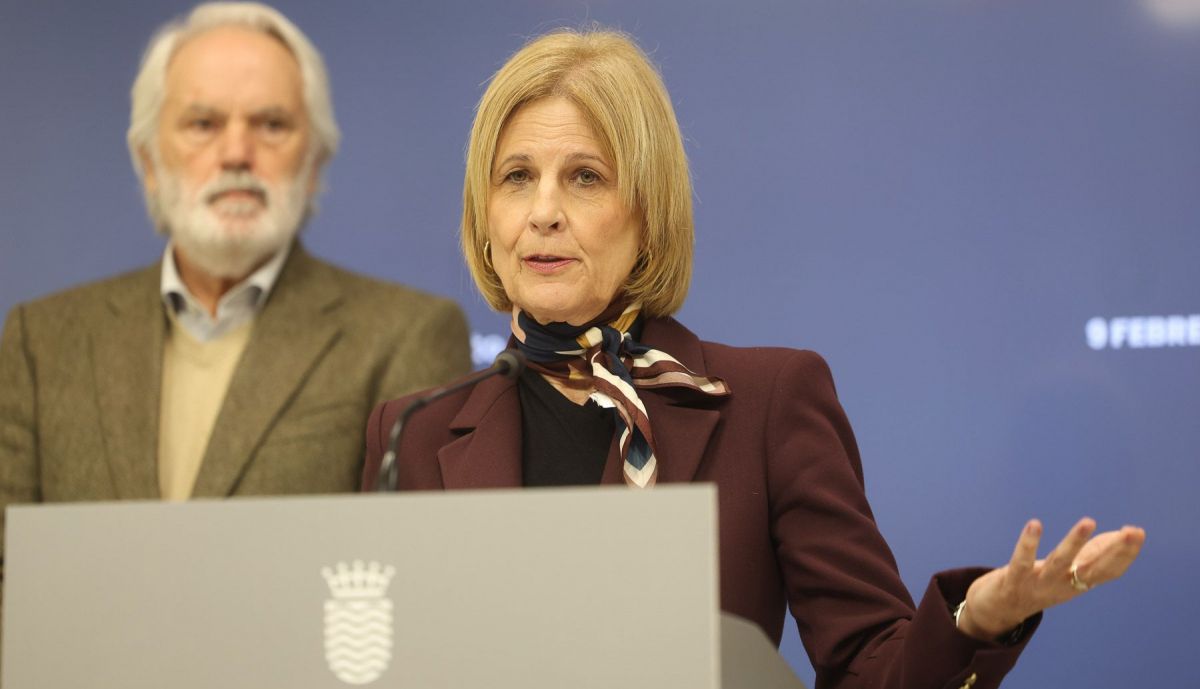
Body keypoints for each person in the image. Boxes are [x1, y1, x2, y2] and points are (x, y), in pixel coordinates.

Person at [361, 28, 1145, 689]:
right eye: (516, 177)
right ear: (485, 216)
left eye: (585, 177)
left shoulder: (769, 403)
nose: (543, 212)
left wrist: (974, 619)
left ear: (648, 214)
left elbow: (868, 663)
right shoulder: (413, 433)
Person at [0, 3, 471, 592]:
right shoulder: (43, 342)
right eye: (203, 124)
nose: (236, 154)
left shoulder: (406, 335)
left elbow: (414, 584)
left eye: (271, 124)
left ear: (314, 162)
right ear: (149, 161)